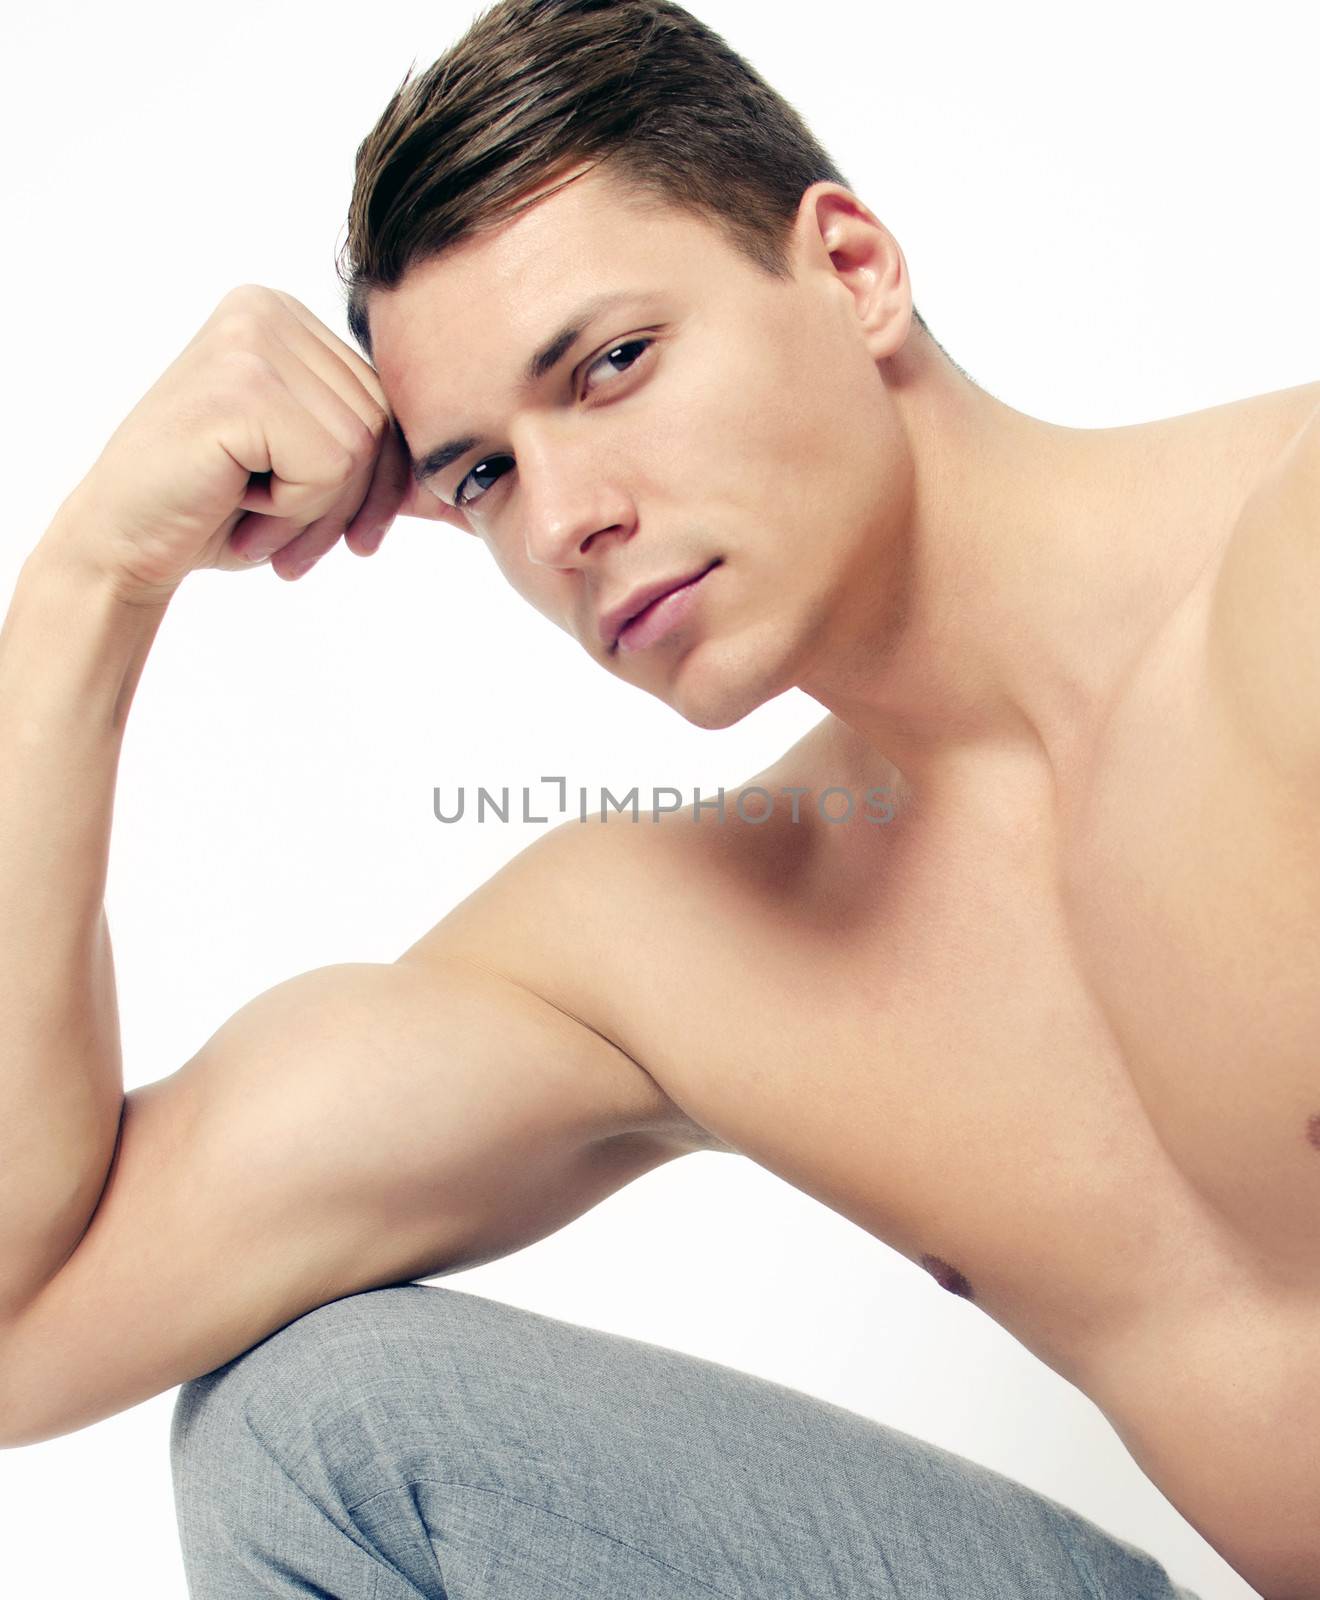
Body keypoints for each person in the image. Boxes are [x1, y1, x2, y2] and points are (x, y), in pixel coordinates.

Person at [0, 0, 1314, 1593]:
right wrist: (90, 580)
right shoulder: (684, 940)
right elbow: (22, 1321)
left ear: (852, 270)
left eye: (612, 364)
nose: (559, 521)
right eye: (479, 472)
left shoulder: (1286, 585)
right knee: (316, 1430)